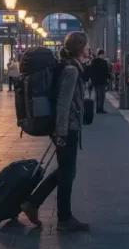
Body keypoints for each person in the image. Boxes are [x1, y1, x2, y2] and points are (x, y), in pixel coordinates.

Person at [21, 32, 90, 232]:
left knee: (65, 171)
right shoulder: (71, 70)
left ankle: (34, 203)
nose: (88, 48)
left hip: (65, 127)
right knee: (67, 173)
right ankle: (63, 218)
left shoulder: (70, 67)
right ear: (80, 48)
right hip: (67, 128)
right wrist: (61, 133)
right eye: (86, 45)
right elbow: (63, 103)